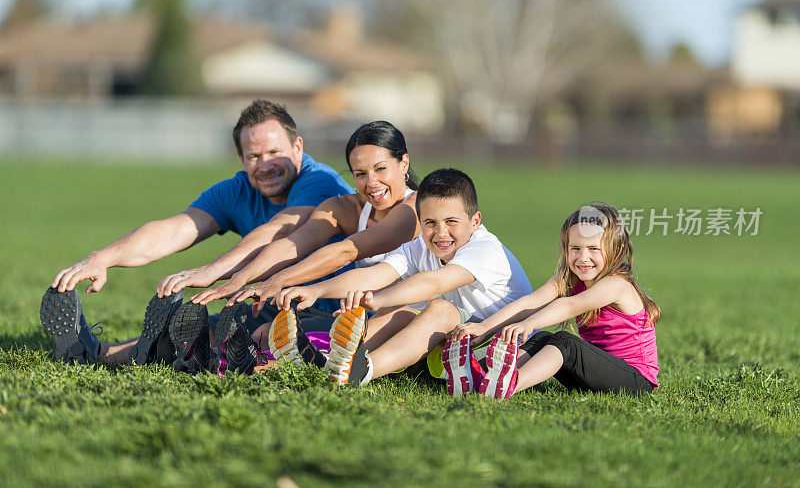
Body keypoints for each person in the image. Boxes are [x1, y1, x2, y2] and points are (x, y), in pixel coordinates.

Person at [41, 99, 353, 366]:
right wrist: (102, 258)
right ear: (242, 159)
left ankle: (210, 350)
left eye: (274, 152)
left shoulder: (320, 182)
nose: (265, 165)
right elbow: (174, 230)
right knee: (188, 332)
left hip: (332, 309)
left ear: (298, 147)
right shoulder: (237, 190)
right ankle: (92, 352)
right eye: (254, 156)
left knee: (229, 339)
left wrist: (213, 271)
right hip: (271, 304)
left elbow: (281, 230)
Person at [168, 121, 422, 374]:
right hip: (357, 318)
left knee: (291, 343)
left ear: (404, 164)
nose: (372, 183)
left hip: (410, 321)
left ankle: (271, 364)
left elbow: (346, 251)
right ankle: (209, 358)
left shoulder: (417, 209)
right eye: (360, 174)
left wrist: (278, 280)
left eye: (380, 169)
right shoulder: (347, 208)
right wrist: (240, 278)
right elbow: (293, 244)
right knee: (266, 333)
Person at [270, 168, 533, 387]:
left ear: (475, 221)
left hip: (505, 351)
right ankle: (332, 362)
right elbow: (375, 274)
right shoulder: (420, 245)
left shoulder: (485, 248)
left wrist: (378, 299)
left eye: (451, 221)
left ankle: (360, 371)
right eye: (430, 223)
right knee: (402, 309)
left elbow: (434, 284)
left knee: (440, 309)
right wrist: (317, 290)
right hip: (456, 349)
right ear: (420, 220)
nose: (441, 233)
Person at [447, 202, 660, 399]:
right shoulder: (569, 278)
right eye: (575, 249)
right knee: (541, 339)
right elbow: (531, 302)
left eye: (593, 249)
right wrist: (484, 327)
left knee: (565, 341)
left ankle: (510, 384)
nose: (583, 258)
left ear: (617, 250)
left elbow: (570, 305)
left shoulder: (617, 284)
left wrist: (528, 324)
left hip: (635, 382)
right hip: (592, 373)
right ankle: (482, 379)